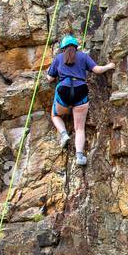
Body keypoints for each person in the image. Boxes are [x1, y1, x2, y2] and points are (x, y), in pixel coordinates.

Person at [46, 34, 115, 167]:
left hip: (64, 90)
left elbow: (49, 78)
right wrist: (109, 66)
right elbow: (97, 70)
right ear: (76, 47)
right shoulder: (83, 56)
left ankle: (64, 134)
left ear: (62, 48)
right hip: (80, 91)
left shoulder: (59, 58)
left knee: (55, 115)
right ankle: (79, 156)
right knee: (79, 128)